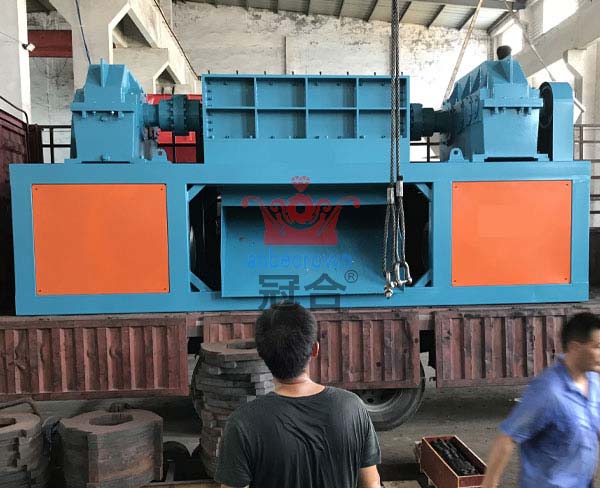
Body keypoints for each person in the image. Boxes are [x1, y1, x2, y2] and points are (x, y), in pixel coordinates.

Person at [214, 301, 382, 488]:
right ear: (315, 349)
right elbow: (372, 483)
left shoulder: (243, 423)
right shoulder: (352, 408)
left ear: (261, 354)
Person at [481, 312, 600, 488]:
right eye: (597, 346)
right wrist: (489, 484)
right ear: (575, 347)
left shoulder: (594, 381)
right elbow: (507, 439)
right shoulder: (548, 391)